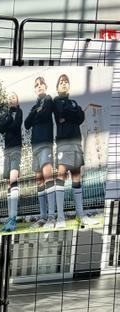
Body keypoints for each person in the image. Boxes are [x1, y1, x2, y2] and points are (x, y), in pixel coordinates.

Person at [52, 73, 99, 229]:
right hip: (63, 144)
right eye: (61, 82)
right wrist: (74, 111)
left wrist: (73, 112)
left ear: (69, 86)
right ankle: (60, 217)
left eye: (66, 82)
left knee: (77, 177)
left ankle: (81, 215)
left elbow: (80, 117)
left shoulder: (74, 102)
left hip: (76, 143)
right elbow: (61, 113)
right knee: (61, 175)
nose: (64, 84)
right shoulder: (56, 101)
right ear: (57, 87)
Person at [24, 76, 56, 227]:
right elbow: (26, 124)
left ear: (45, 86)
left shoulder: (49, 99)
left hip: (45, 144)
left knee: (48, 177)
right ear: (35, 89)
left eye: (41, 84)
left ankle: (51, 216)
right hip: (34, 146)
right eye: (36, 85)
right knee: (39, 180)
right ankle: (42, 217)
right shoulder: (34, 106)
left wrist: (37, 114)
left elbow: (44, 115)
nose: (39, 86)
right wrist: (36, 112)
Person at [0, 92, 24, 232]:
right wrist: (8, 122)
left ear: (17, 101)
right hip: (6, 150)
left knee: (14, 179)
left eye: (14, 97)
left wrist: (8, 124)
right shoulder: (7, 115)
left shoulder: (19, 112)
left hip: (16, 149)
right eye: (9, 98)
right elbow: (1, 129)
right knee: (8, 181)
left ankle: (13, 219)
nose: (11, 100)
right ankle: (9, 217)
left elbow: (15, 126)